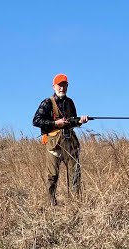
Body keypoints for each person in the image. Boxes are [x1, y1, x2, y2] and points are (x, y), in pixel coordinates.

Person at [32, 73, 90, 205]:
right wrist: (55, 123)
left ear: (67, 87)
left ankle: (75, 203)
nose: (62, 88)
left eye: (64, 85)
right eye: (59, 85)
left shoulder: (70, 103)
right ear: (53, 86)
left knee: (75, 172)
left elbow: (72, 122)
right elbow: (36, 121)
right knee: (52, 175)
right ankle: (51, 204)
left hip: (70, 142)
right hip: (54, 144)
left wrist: (80, 121)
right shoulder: (47, 102)